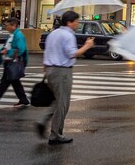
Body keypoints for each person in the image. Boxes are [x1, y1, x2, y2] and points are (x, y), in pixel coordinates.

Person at [37, 11, 94, 145]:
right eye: (76, 21)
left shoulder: (54, 33)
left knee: (57, 100)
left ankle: (43, 122)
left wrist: (45, 68)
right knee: (63, 103)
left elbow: (47, 51)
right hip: (62, 71)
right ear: (69, 22)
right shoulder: (68, 35)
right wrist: (87, 46)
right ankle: (56, 134)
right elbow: (72, 54)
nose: (78, 24)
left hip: (50, 69)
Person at [0, 17, 30, 108]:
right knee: (15, 83)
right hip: (10, 63)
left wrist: (7, 52)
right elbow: (4, 47)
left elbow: (20, 50)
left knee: (5, 83)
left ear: (13, 25)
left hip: (13, 63)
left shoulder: (18, 36)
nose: (6, 27)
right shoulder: (12, 35)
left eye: (7, 25)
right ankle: (23, 100)